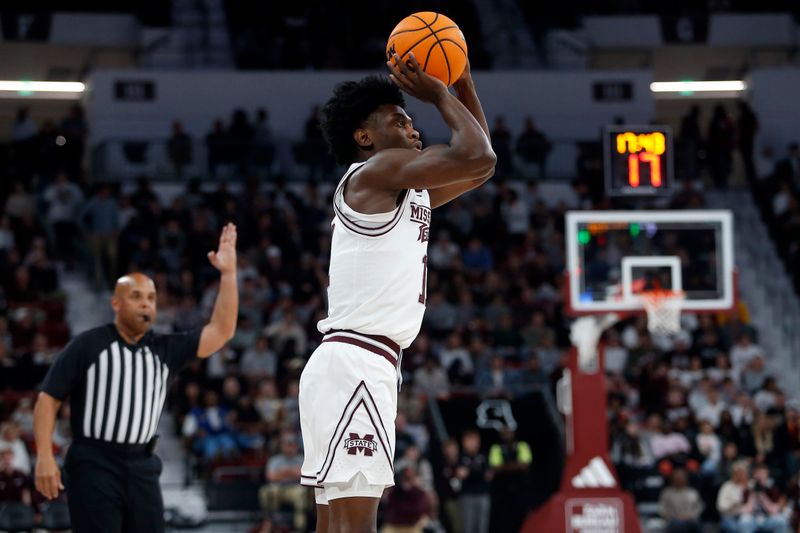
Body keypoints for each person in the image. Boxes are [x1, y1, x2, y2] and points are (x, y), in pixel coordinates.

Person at [298, 50, 496, 533]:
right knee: (356, 524)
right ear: (364, 137)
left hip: (358, 363)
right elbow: (477, 154)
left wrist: (465, 85)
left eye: (413, 120)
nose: (414, 129)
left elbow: (482, 168)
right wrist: (441, 94)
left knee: (335, 526)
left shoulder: (404, 189)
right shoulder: (375, 172)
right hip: (356, 363)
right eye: (399, 120)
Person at [32, 224, 239, 533]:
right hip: (94, 463)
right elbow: (47, 400)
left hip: (142, 465)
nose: (146, 303)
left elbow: (221, 331)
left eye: (152, 298)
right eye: (137, 296)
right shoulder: (87, 344)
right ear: (116, 304)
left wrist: (228, 275)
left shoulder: (165, 348)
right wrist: (45, 456)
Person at [259, 432, 307, 532]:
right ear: (281, 446)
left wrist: (282, 473)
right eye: (286, 444)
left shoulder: (302, 459)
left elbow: (303, 475)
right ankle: (269, 521)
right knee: (266, 491)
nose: (289, 447)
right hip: (278, 488)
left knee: (301, 492)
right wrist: (291, 473)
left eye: (291, 444)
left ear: (296, 446)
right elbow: (271, 477)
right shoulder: (275, 460)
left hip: (294, 488)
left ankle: (300, 527)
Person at [658, 468, 703, 533]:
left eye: (681, 477)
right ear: (672, 479)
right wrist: (675, 517)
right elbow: (663, 509)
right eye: (677, 477)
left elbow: (699, 508)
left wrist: (689, 516)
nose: (679, 479)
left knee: (695, 525)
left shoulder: (692, 492)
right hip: (672, 520)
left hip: (690, 520)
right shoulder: (666, 493)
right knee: (678, 525)